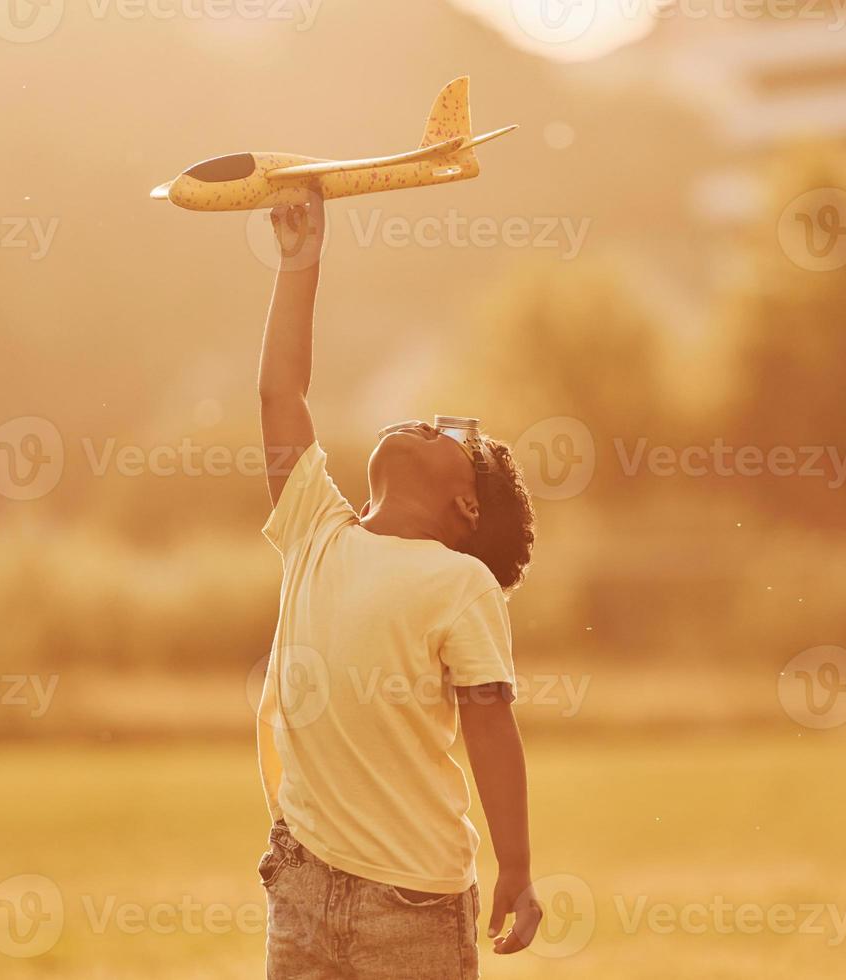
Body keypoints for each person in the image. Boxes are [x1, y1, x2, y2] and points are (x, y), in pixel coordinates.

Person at [254, 192, 541, 979]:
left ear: (466, 503)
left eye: (457, 437)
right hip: (303, 882)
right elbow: (282, 393)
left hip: (411, 904)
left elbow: (489, 724)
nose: (431, 422)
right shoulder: (315, 525)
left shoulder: (459, 583)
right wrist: (299, 260)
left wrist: (514, 868)